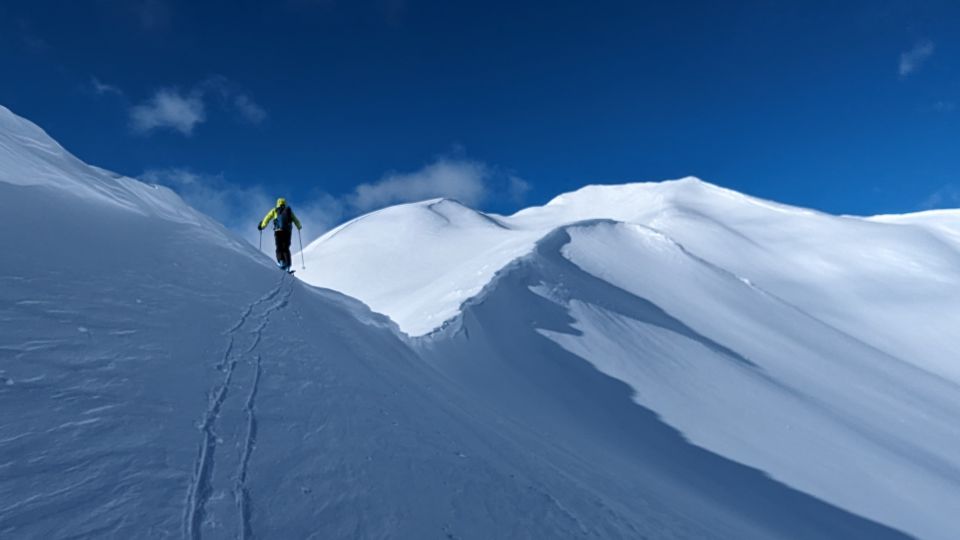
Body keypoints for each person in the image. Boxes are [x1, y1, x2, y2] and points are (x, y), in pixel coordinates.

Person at [258, 197, 302, 271]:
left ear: (277, 203)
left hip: (278, 231)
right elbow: (296, 220)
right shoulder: (288, 210)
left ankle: (281, 262)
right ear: (285, 203)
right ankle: (288, 265)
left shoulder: (275, 210)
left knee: (279, 247)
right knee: (286, 248)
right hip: (287, 232)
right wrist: (299, 226)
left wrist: (262, 226)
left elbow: (267, 218)